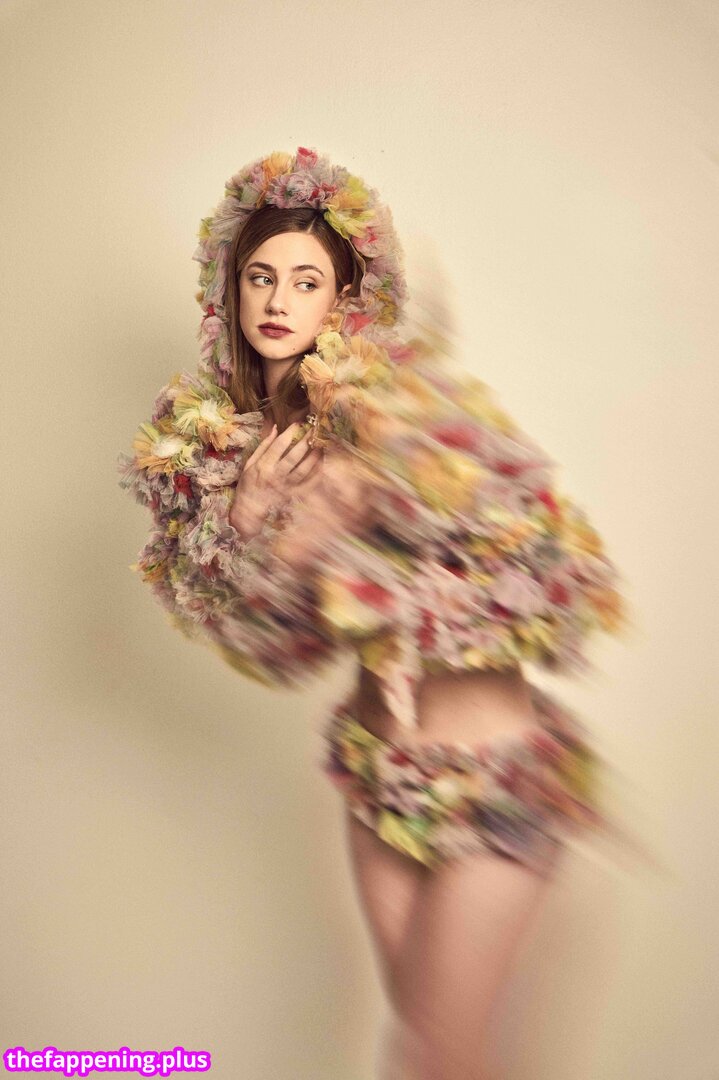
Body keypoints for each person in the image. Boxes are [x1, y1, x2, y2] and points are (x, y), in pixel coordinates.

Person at [118, 146, 633, 1079]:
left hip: (494, 777)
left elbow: (554, 570)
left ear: (341, 299)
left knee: (441, 1051)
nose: (278, 301)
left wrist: (384, 525)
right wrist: (257, 523)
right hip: (378, 778)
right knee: (433, 1053)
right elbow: (272, 650)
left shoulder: (409, 407)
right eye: (260, 277)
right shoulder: (230, 452)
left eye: (305, 281)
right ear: (230, 291)